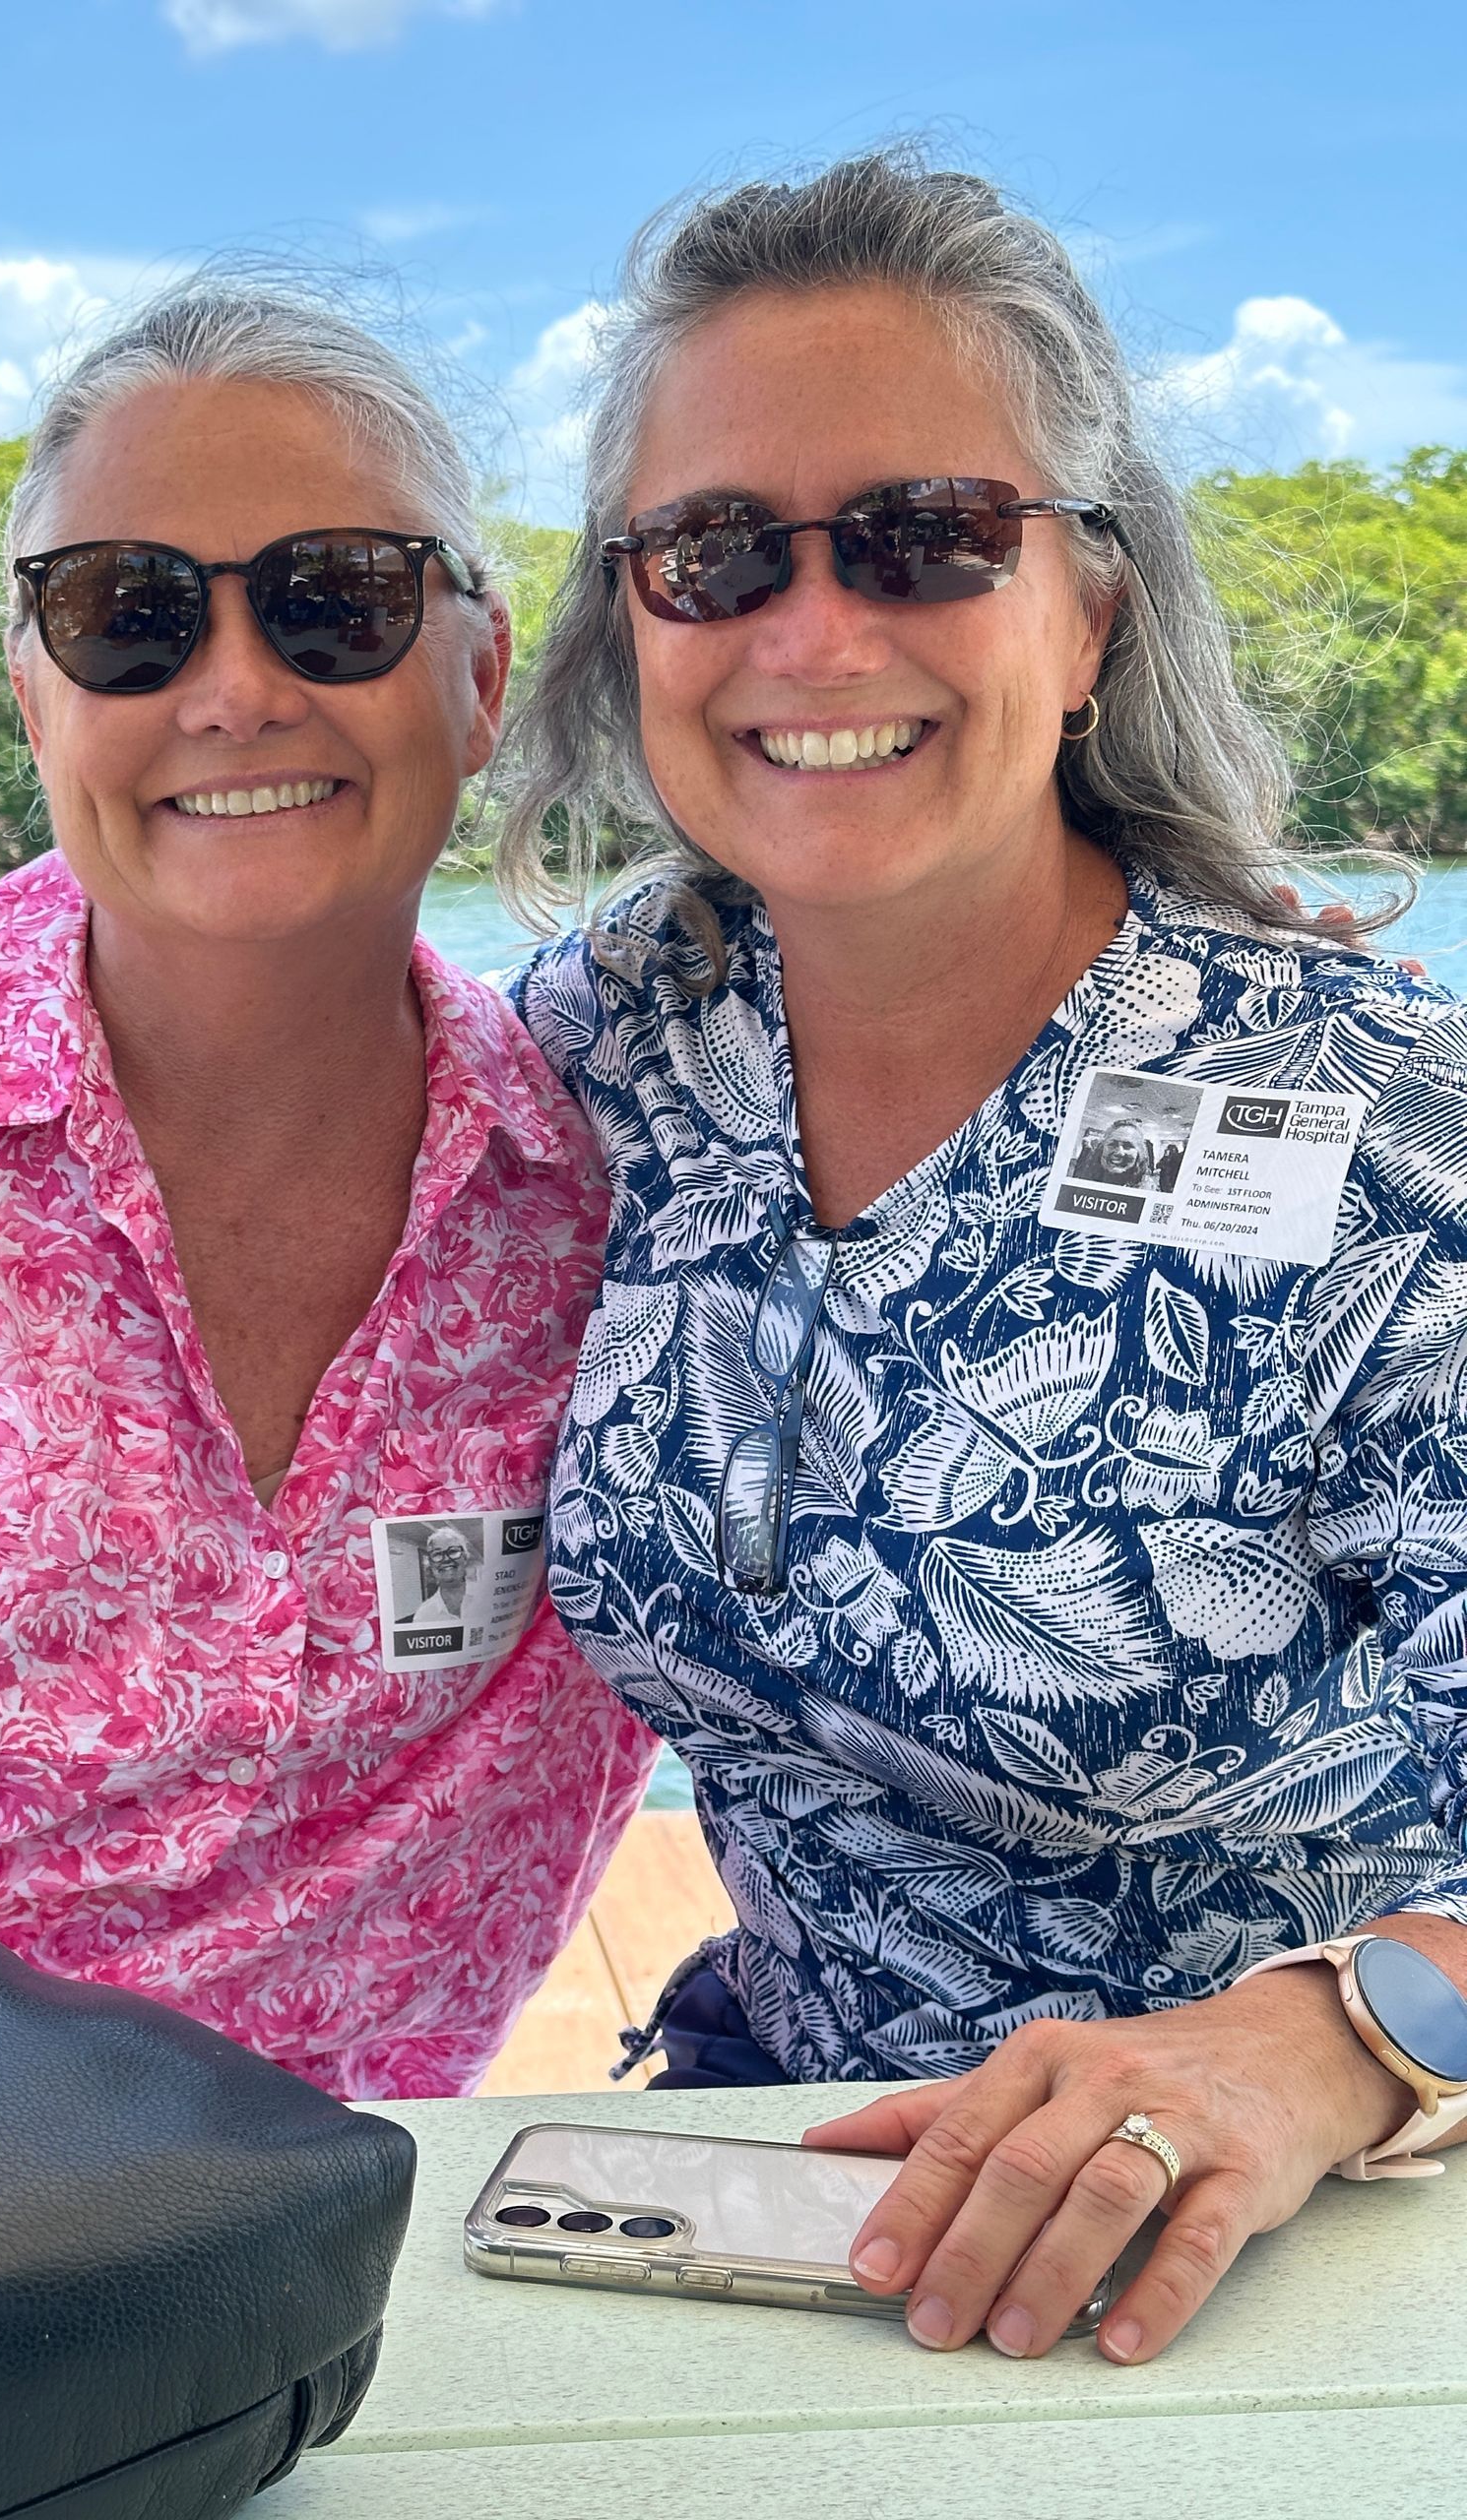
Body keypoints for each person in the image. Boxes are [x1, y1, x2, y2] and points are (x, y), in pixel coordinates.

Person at [497, 152, 1467, 2362]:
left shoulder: (1385, 1127)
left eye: (927, 535)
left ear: (1091, 607)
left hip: (1294, 2242)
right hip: (779, 2181)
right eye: (715, 552)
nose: (813, 633)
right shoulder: (625, 1038)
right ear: (632, 623)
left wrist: (1324, 2047)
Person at [0, 281, 654, 2101]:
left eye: (339, 600)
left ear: (478, 684)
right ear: (35, 698)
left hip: (353, 2225)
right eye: (125, 616)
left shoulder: (623, 1164)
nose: (235, 692)